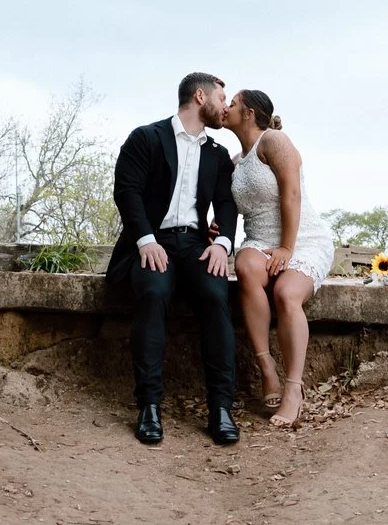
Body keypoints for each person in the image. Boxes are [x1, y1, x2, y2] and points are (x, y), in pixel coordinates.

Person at [106, 71, 241, 447]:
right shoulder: (146, 137)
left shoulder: (216, 155)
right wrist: (146, 239)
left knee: (217, 297)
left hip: (198, 245)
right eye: (221, 98)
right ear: (200, 97)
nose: (225, 106)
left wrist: (223, 244)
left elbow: (227, 203)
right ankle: (149, 405)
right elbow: (127, 191)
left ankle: (221, 408)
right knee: (152, 293)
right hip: (153, 240)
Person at [219, 87, 332, 429]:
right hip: (259, 239)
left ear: (250, 113)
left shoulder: (275, 142)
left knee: (286, 293)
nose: (226, 107)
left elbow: (292, 193)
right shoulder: (236, 163)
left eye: (233, 103)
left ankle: (294, 389)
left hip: (302, 238)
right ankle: (267, 368)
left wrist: (286, 248)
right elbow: (235, 209)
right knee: (244, 265)